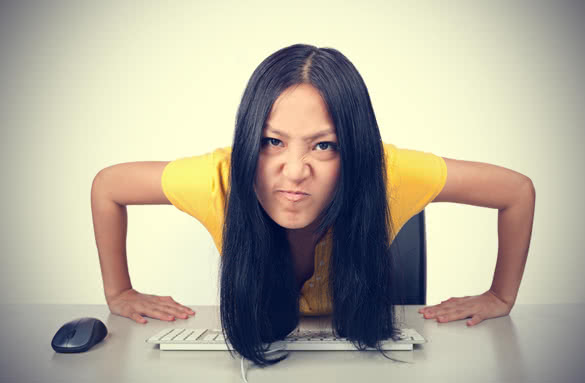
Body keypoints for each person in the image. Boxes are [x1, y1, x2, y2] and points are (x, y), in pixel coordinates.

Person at [91, 43, 535, 368]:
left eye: (324, 146)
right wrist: (119, 292)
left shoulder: (389, 171)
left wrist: (500, 295)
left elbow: (515, 191)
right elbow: (108, 185)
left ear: (354, 149)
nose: (295, 170)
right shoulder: (219, 179)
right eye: (272, 142)